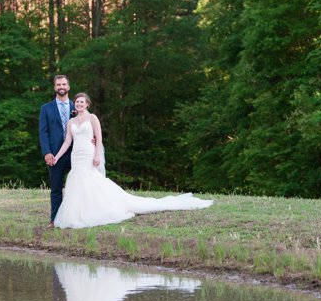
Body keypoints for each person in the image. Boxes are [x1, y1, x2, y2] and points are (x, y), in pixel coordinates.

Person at [51, 93, 213, 228]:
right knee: (78, 182)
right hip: (76, 156)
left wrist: (97, 156)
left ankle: (100, 210)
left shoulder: (92, 118)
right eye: (77, 102)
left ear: (87, 104)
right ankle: (79, 213)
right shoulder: (71, 122)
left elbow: (99, 139)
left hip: (89, 153)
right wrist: (57, 156)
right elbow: (67, 142)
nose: (79, 104)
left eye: (82, 102)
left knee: (94, 182)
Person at [39, 75, 74, 226]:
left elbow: (87, 127)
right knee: (56, 189)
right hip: (55, 154)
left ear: (68, 86)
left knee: (78, 187)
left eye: (64, 84)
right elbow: (43, 132)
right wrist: (47, 152)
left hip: (75, 154)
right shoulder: (46, 108)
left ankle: (75, 218)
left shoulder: (77, 106)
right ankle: (55, 220)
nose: (61, 87)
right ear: (54, 87)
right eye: (58, 84)